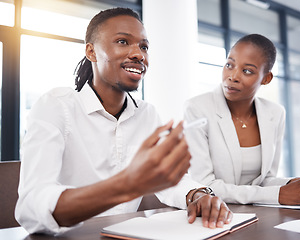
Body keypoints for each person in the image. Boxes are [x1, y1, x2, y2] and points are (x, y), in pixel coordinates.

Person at [15, 8, 232, 235]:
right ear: (91, 51)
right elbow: (31, 209)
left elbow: (171, 183)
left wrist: (199, 195)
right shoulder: (56, 106)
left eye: (144, 46)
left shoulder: (147, 114)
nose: (138, 54)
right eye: (122, 41)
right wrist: (127, 185)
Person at [184, 34, 300, 205]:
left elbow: (265, 180)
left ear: (266, 78)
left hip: (257, 215)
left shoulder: (275, 113)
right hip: (212, 214)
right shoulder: (197, 108)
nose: (233, 76)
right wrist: (277, 194)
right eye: (229, 65)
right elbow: (205, 186)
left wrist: (293, 184)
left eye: (247, 71)